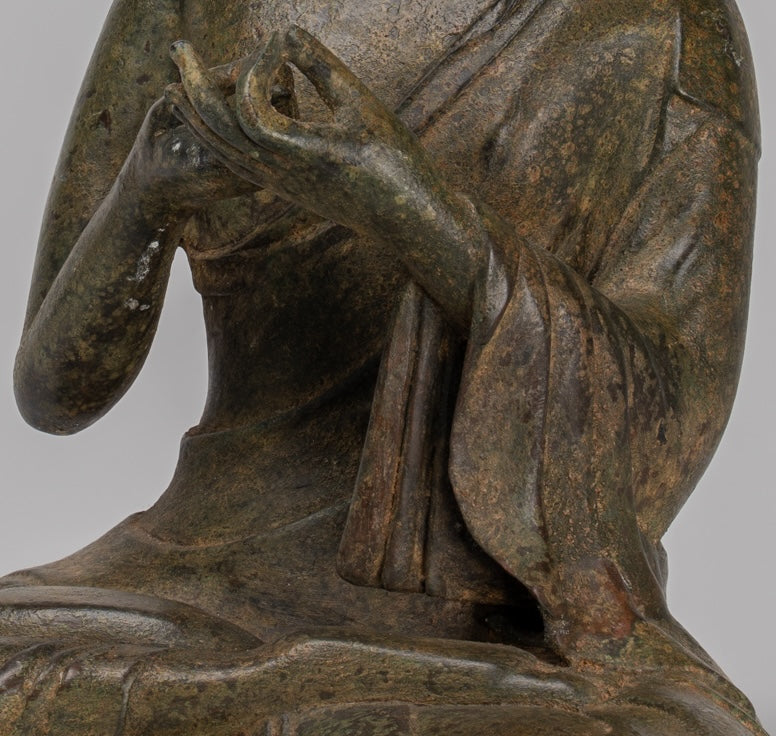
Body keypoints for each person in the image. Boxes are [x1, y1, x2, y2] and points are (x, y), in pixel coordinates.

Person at [0, 0, 766, 733]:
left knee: (652, 725)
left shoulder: (670, 24)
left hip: (488, 615)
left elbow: (674, 423)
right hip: (181, 575)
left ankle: (252, 691)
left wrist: (407, 202)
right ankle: (255, 689)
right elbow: (55, 390)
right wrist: (143, 196)